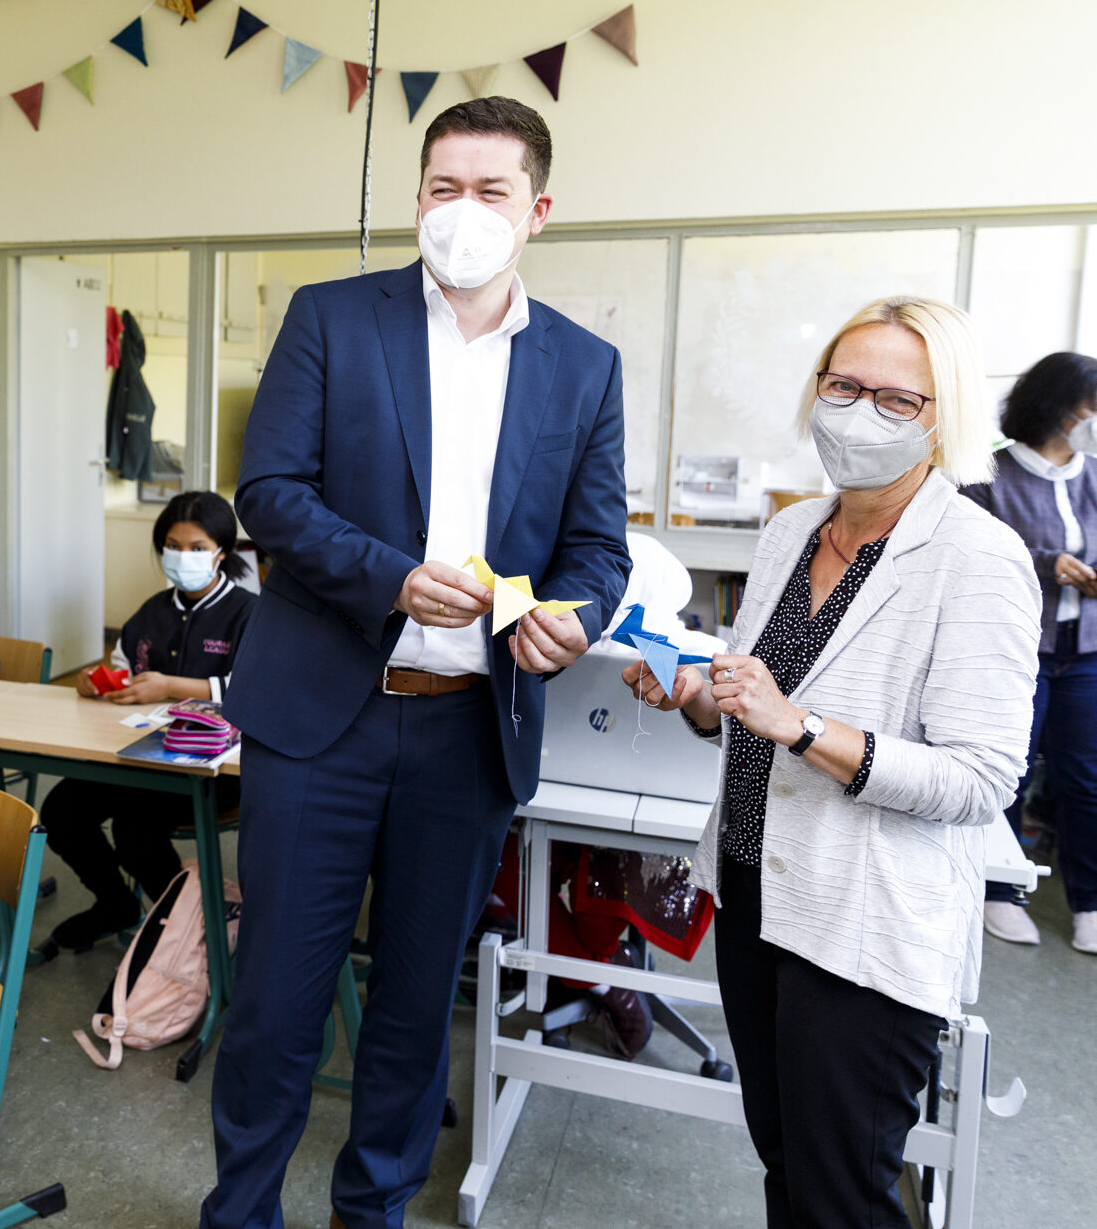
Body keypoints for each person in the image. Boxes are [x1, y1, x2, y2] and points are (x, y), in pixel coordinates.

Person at [204, 97, 630, 1229]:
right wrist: (390, 575)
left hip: (467, 732)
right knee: (278, 1004)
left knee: (411, 1012)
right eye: (444, 187)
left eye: (491, 192)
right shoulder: (334, 319)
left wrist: (577, 618)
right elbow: (270, 496)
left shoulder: (585, 369)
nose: (463, 212)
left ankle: (374, 1212)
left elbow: (597, 550)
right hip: (320, 723)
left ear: (538, 211)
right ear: (418, 199)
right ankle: (240, 1212)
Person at [624, 296, 1039, 1226]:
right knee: (785, 1166)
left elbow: (980, 779)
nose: (861, 413)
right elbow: (750, 711)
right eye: (845, 386)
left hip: (865, 923)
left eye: (898, 399)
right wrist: (699, 697)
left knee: (843, 1193)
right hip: (752, 890)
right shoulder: (790, 532)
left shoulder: (977, 557)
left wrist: (804, 726)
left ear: (946, 415)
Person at [41, 489, 254, 950]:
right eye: (173, 547)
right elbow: (123, 666)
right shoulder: (153, 610)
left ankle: (183, 929)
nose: (183, 557)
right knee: (61, 810)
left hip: (212, 768)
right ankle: (116, 903)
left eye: (196, 548)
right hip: (139, 755)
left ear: (222, 552)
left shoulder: (248, 613)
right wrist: (100, 681)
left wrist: (171, 686)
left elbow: (255, 690)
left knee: (134, 829)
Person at [960, 350, 1097, 952]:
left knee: (1086, 781)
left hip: (1087, 651)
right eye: (1091, 405)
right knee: (1009, 773)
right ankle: (999, 891)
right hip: (1019, 649)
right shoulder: (987, 474)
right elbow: (970, 555)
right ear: (1057, 404)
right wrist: (1048, 565)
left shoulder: (1094, 474)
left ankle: (1088, 903)